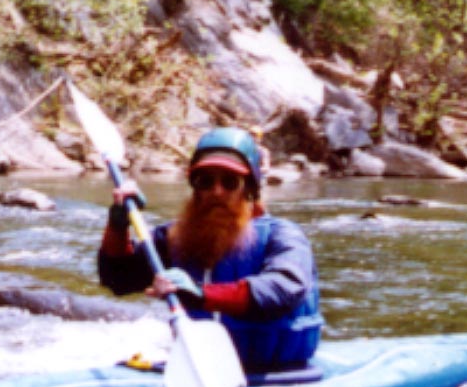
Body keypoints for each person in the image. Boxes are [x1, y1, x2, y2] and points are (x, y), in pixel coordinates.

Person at [98, 127, 323, 374]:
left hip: (280, 370)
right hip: (203, 369)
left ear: (249, 187)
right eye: (205, 181)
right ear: (195, 188)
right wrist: (118, 225)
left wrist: (200, 294)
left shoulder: (283, 235)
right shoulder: (177, 238)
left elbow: (283, 288)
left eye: (230, 181)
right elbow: (118, 278)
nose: (217, 191)